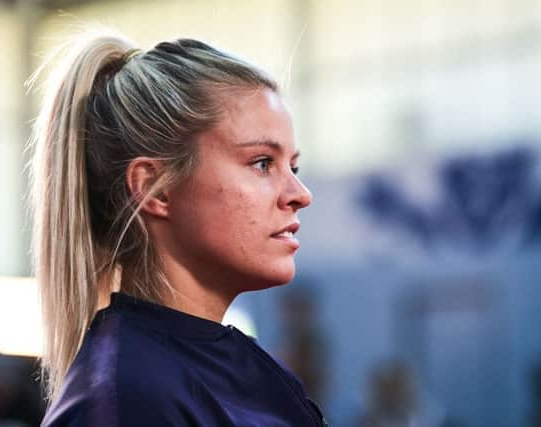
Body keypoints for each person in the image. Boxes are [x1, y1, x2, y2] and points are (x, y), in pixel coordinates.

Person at [29, 27, 326, 426]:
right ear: (155, 187)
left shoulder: (244, 370)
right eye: (262, 163)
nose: (300, 193)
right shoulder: (125, 400)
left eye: (293, 166)